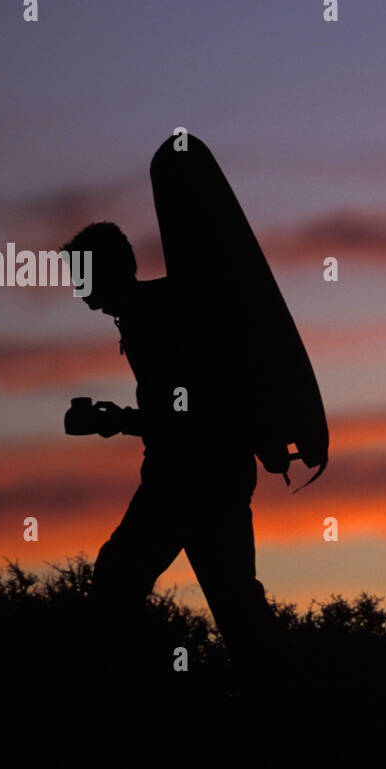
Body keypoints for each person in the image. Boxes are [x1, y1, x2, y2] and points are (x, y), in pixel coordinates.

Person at [61, 221, 272, 684]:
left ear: (107, 271)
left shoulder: (151, 318)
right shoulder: (157, 308)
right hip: (215, 472)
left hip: (188, 479)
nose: (77, 290)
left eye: (82, 276)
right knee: (235, 600)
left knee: (118, 582)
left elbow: (190, 410)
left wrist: (117, 421)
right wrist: (123, 419)